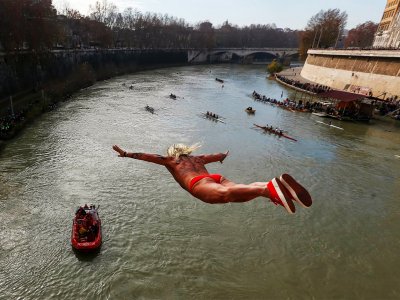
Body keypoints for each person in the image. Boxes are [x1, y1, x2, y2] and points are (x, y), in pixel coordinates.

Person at [112, 144, 312, 214]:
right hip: (216, 177)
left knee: (226, 195)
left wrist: (127, 154)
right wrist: (223, 154)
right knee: (237, 191)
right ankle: (275, 188)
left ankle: (268, 190)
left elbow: (150, 157)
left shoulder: (172, 161)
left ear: (173, 153)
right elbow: (216, 156)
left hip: (198, 183)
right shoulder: (196, 158)